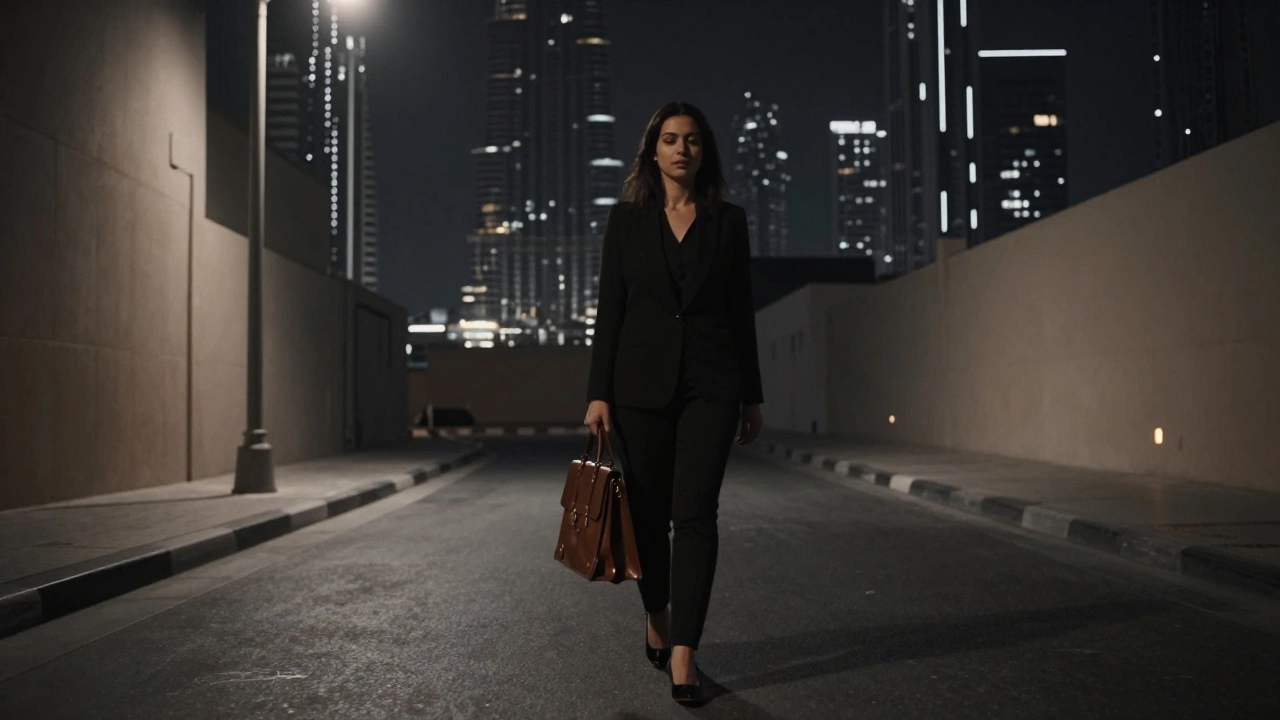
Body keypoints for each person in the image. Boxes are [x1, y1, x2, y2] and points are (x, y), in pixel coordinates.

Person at [583, 100, 764, 707]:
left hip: (713, 385)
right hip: (638, 390)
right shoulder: (626, 221)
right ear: (652, 151)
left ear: (703, 151)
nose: (681, 148)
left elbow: (741, 312)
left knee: (695, 515)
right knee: (647, 517)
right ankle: (657, 612)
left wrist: (753, 397)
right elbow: (611, 310)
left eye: (691, 139)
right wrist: (597, 393)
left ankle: (684, 650)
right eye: (669, 139)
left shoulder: (728, 221)